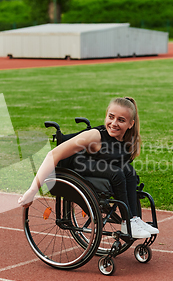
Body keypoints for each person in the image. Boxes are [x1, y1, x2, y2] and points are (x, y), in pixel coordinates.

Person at [18, 97, 159, 239]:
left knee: (129, 171)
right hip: (76, 166)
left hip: (95, 165)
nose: (114, 123)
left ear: (130, 124)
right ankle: (126, 222)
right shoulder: (95, 136)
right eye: (111, 117)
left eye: (121, 120)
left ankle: (134, 219)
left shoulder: (129, 140)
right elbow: (53, 155)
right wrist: (32, 190)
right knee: (117, 173)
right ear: (106, 116)